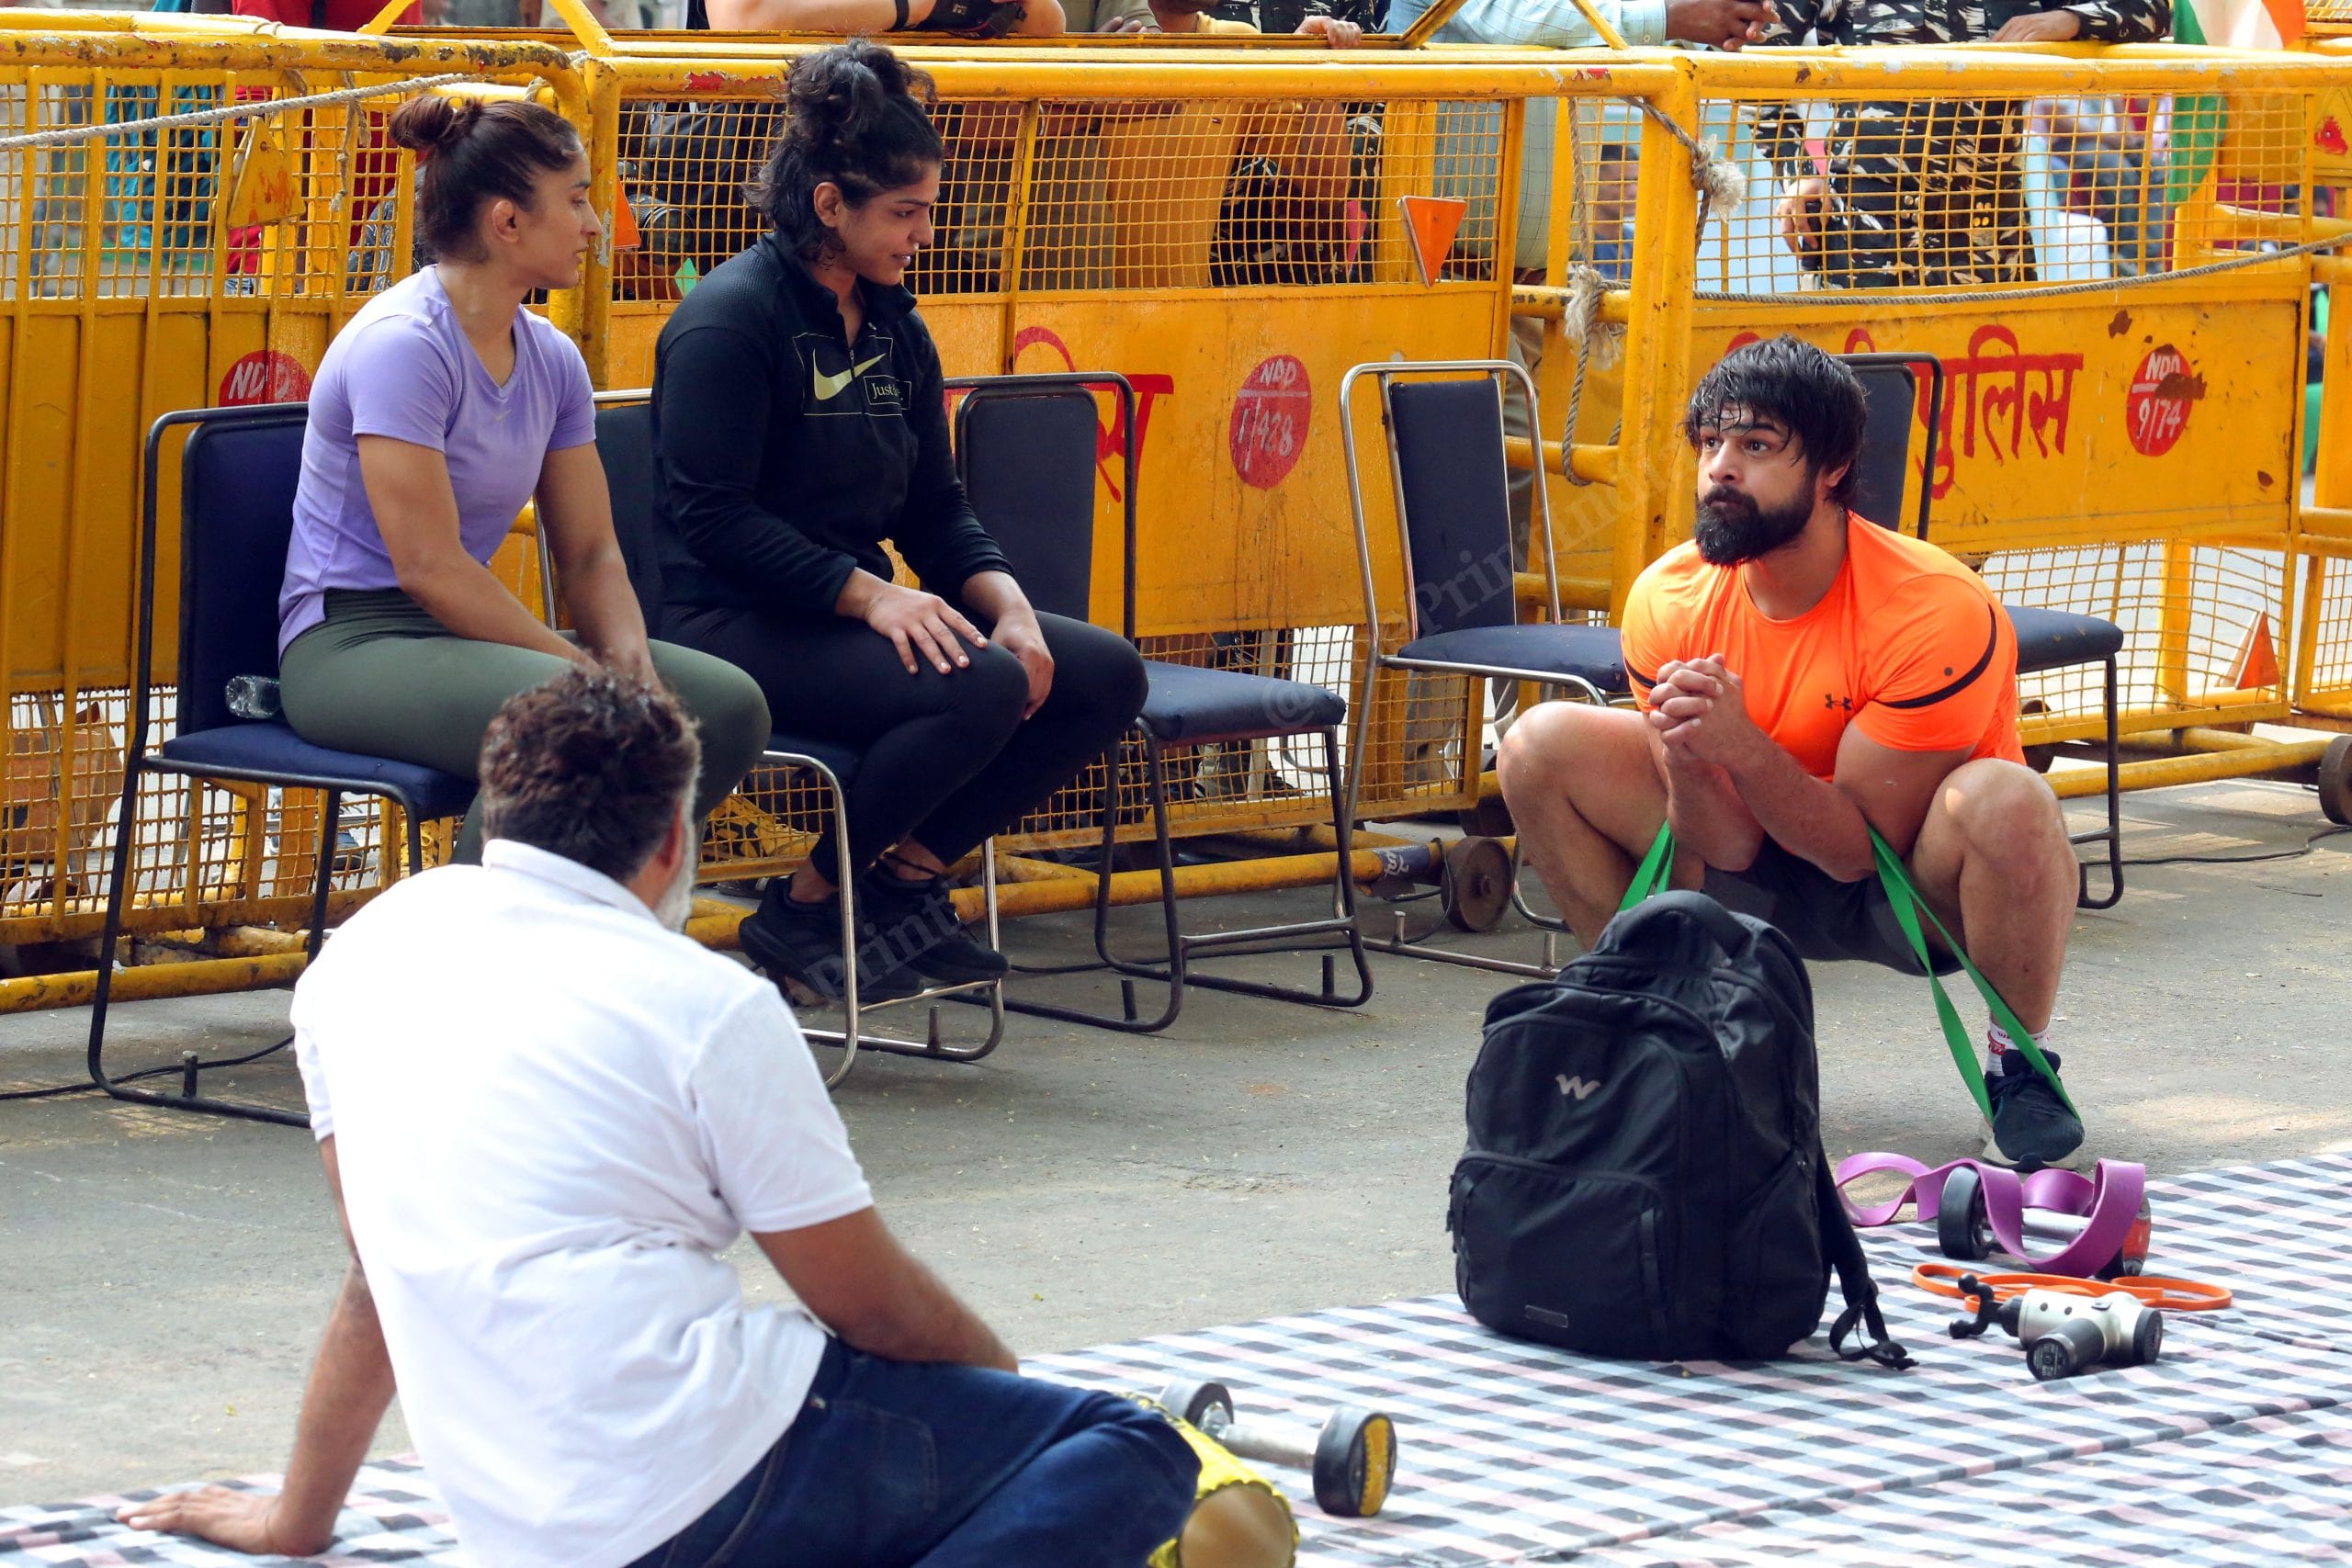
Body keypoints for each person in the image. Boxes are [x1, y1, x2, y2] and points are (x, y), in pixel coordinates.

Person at [115, 669, 1200, 1566]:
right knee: (1135, 1448)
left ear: (498, 805)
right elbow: (878, 1316)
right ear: (673, 844)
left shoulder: (357, 958)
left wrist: (292, 1523)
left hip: (526, 1529)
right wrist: (995, 1410)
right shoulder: (706, 1005)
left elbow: (376, 1275)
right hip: (704, 1481)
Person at [1495, 337, 2086, 1171]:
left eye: (1758, 445)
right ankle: (1667, 1031)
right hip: (1750, 864)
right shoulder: (1668, 597)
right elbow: (1723, 847)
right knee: (1538, 744)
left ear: (1835, 467)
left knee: (2009, 800)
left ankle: (2019, 1064)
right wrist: (1693, 758)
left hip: (1909, 892)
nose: (1721, 470)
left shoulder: (1934, 609)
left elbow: (1854, 856)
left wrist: (1742, 742)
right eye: (1710, 444)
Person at [651, 43, 1149, 1003]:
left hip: (845, 611)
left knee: (1095, 674)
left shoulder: (893, 326)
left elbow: (934, 507)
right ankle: (802, 910)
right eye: (905, 213)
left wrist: (1005, 601)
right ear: (830, 205)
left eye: (929, 208)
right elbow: (711, 521)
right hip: (728, 623)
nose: (925, 231)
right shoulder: (729, 320)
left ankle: (898, 886)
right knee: (978, 690)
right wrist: (870, 597)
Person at [275, 95, 769, 862]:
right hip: (351, 643)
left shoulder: (552, 357)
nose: (597, 225)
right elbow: (430, 567)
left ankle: (596, 913)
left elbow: (593, 554)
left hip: (461, 640)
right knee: (573, 721)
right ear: (507, 222)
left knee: (727, 708)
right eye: (575, 201)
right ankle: (477, 954)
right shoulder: (402, 345)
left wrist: (631, 663)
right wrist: (583, 673)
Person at [1762, 0, 2172, 288]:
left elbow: (2152, 10)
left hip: (1991, 226)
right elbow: (1754, 55)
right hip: (1868, 228)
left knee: (1992, 390)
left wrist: (2069, 19)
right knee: (1869, 395)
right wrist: (1797, 174)